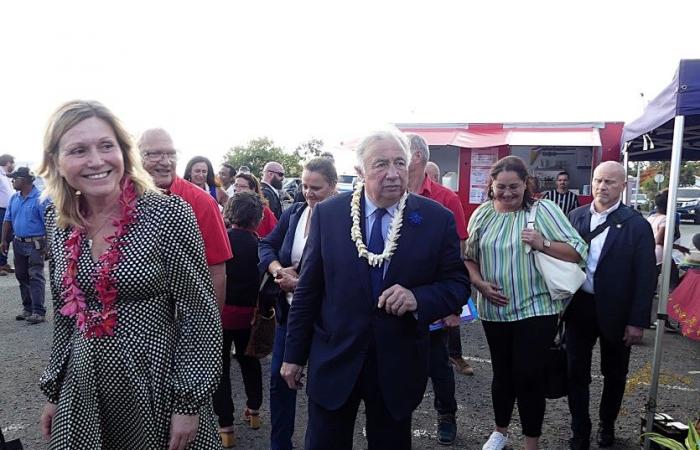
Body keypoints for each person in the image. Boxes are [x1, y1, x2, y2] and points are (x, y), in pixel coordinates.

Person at [37, 100, 223, 449]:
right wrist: (55, 389)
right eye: (78, 150)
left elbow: (200, 314)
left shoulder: (167, 213)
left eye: (106, 146)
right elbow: (65, 315)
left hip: (154, 382)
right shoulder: (58, 221)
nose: (96, 160)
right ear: (56, 162)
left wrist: (188, 402)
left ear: (124, 152)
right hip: (83, 384)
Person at [280, 130, 470, 450]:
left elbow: (457, 285)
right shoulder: (329, 215)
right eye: (381, 164)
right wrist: (293, 355)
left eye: (399, 162)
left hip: (397, 365)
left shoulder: (437, 219)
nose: (393, 174)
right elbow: (309, 290)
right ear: (360, 171)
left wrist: (417, 298)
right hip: (335, 359)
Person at [465, 156, 587, 450]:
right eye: (501, 188)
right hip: (494, 310)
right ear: (491, 186)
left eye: (514, 187)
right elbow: (469, 257)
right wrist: (479, 283)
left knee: (529, 374)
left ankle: (531, 439)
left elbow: (577, 251)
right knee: (502, 374)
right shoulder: (482, 214)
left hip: (536, 309)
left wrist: (542, 243)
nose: (507, 194)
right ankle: (500, 431)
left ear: (526, 184)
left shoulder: (543, 210)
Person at [565, 161, 656, 450]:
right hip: (579, 308)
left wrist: (637, 321)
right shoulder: (575, 217)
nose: (603, 187)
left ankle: (607, 425)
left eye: (610, 182)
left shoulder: (637, 225)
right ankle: (580, 429)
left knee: (614, 374)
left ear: (623, 186)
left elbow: (646, 277)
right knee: (575, 373)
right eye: (598, 181)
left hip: (618, 312)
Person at [258, 157, 338, 450]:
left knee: (320, 391)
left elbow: (345, 275)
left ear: (332, 186)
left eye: (315, 187)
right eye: (304, 186)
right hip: (287, 315)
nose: (308, 193)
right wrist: (278, 270)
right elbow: (265, 244)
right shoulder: (295, 212)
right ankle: (280, 445)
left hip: (324, 320)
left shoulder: (344, 220)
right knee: (280, 383)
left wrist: (300, 283)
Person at [406, 133, 468, 445]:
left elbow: (457, 256)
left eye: (400, 153)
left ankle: (446, 415)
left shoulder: (446, 199)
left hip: (431, 298)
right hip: (393, 299)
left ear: (415, 157)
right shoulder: (386, 194)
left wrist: (452, 308)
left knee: (436, 363)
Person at [137, 128, 231, 311]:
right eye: (154, 154)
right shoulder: (119, 199)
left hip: (183, 316)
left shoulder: (202, 202)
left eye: (172, 154)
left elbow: (217, 270)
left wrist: (211, 330)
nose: (166, 162)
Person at [214, 192, 265, 448]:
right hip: (249, 315)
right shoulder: (260, 245)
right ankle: (254, 411)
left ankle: (226, 426)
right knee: (250, 362)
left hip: (220, 314)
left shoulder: (221, 240)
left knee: (220, 370)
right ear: (257, 218)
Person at [1, 167, 49, 323]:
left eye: (16, 178)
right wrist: (4, 240)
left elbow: (48, 224)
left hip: (36, 243)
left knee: (35, 275)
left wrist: (48, 246)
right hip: (18, 242)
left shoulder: (41, 199)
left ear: (26, 180)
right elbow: (7, 221)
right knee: (21, 275)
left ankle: (38, 311)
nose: (13, 181)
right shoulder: (14, 198)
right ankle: (27, 309)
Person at [647, 189, 689, 292]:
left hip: (650, 252)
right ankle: (672, 299)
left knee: (652, 280)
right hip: (661, 254)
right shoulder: (665, 219)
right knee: (673, 279)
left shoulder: (651, 217)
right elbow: (659, 240)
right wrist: (678, 247)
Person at [232, 172, 278, 237]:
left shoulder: (263, 209)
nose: (237, 189)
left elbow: (275, 234)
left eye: (242, 186)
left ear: (253, 189)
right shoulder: (230, 207)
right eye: (236, 185)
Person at [0, 154, 15, 275]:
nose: (13, 165)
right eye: (12, 162)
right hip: (1, 210)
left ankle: (4, 263)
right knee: (1, 237)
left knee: (7, 237)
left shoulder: (7, 177)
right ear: (8, 163)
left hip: (9, 210)